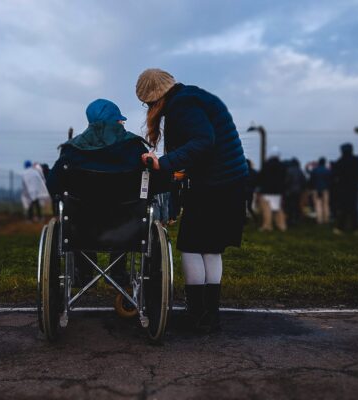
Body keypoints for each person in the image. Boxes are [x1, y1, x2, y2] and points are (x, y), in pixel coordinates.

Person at [136, 68, 248, 333]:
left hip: (215, 183)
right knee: (210, 248)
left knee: (191, 246)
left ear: (155, 98)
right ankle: (210, 315)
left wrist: (163, 164)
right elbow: (204, 144)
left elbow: (202, 140)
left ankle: (197, 312)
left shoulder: (182, 105)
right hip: (229, 181)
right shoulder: (193, 97)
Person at [47, 99, 156, 287]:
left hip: (82, 227)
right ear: (116, 121)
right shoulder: (135, 147)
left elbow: (53, 184)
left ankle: (84, 271)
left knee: (78, 216)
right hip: (126, 227)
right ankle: (119, 272)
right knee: (125, 213)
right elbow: (155, 184)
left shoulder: (72, 150)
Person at [331, 143, 358, 233]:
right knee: (353, 208)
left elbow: (334, 174)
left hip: (343, 187)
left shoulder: (340, 161)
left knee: (343, 208)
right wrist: (357, 178)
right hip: (354, 186)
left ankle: (341, 228)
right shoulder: (357, 161)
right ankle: (355, 228)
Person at [257, 147, 287, 232]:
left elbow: (261, 177)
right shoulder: (282, 166)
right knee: (278, 209)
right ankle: (282, 226)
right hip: (278, 191)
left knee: (267, 209)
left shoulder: (266, 164)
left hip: (266, 191)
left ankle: (267, 226)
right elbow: (284, 178)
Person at [284, 158, 306, 226]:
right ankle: (296, 219)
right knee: (297, 205)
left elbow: (286, 181)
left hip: (289, 191)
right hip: (298, 191)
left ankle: (290, 220)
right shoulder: (300, 171)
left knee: (289, 206)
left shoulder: (289, 170)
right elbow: (304, 181)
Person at [309, 157, 331, 224]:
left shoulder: (314, 170)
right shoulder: (327, 171)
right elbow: (330, 181)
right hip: (325, 189)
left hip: (316, 189)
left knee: (318, 205)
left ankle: (319, 220)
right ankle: (326, 219)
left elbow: (311, 180)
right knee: (326, 205)